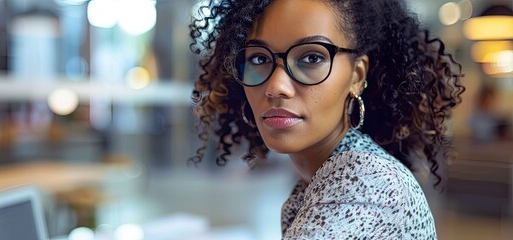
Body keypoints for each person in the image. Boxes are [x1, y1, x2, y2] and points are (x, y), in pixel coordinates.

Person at [189, 0, 464, 238]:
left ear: (356, 76)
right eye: (259, 59)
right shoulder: (315, 181)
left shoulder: (366, 183)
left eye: (311, 57)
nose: (276, 87)